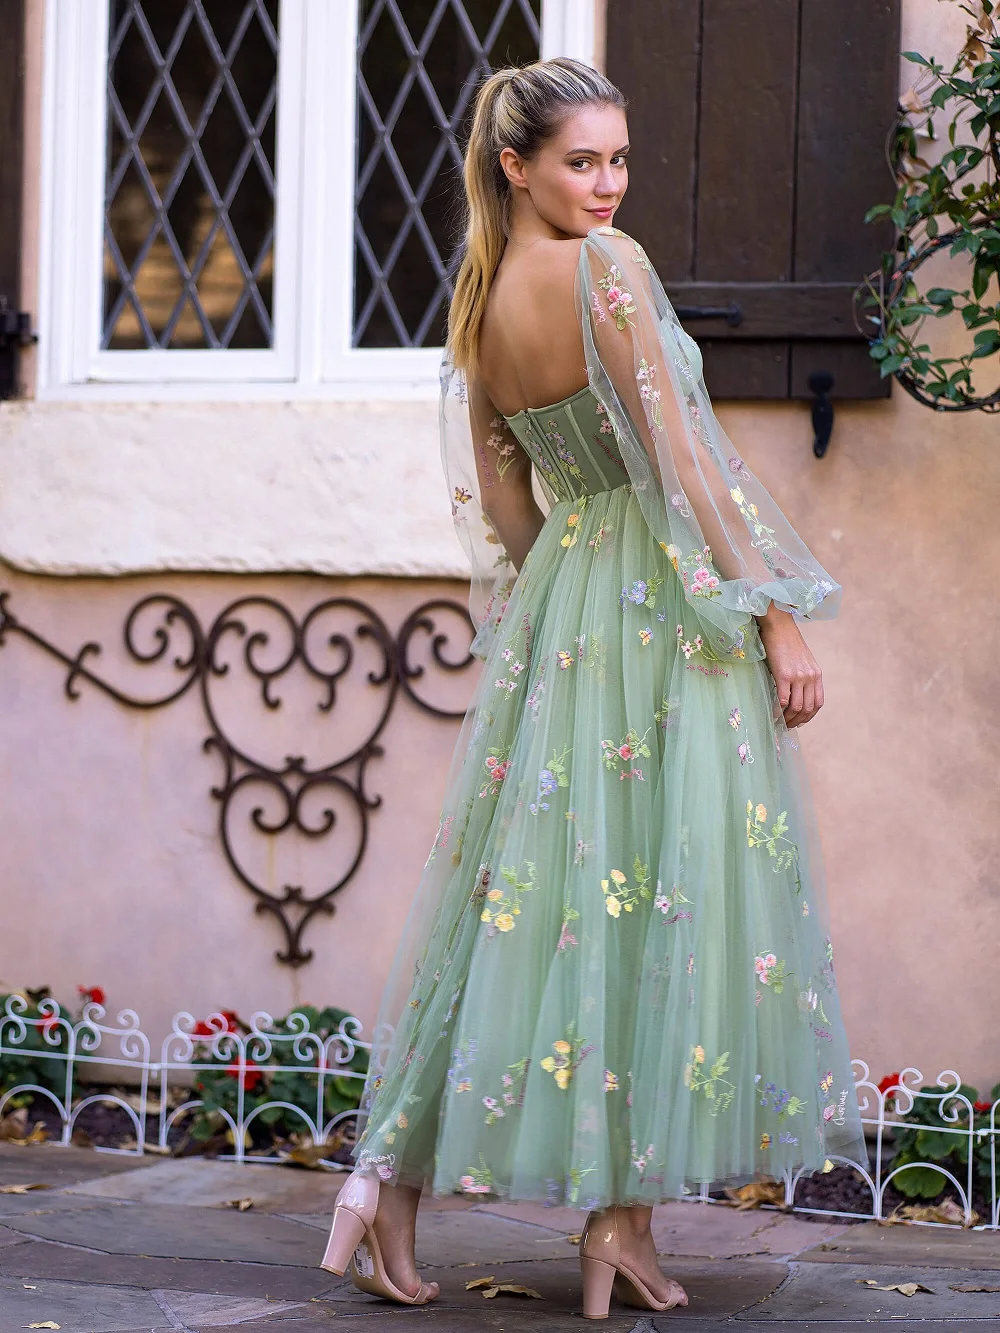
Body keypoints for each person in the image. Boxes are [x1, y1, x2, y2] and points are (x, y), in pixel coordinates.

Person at [319, 56, 866, 1320]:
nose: (609, 184)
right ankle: (611, 1221)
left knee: (542, 901)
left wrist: (554, 621)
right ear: (517, 165)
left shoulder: (477, 303)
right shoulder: (606, 272)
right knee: (662, 894)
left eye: (619, 160)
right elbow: (680, 452)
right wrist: (773, 614)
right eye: (583, 161)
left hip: (569, 601)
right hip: (660, 599)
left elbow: (507, 509)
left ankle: (398, 1182)